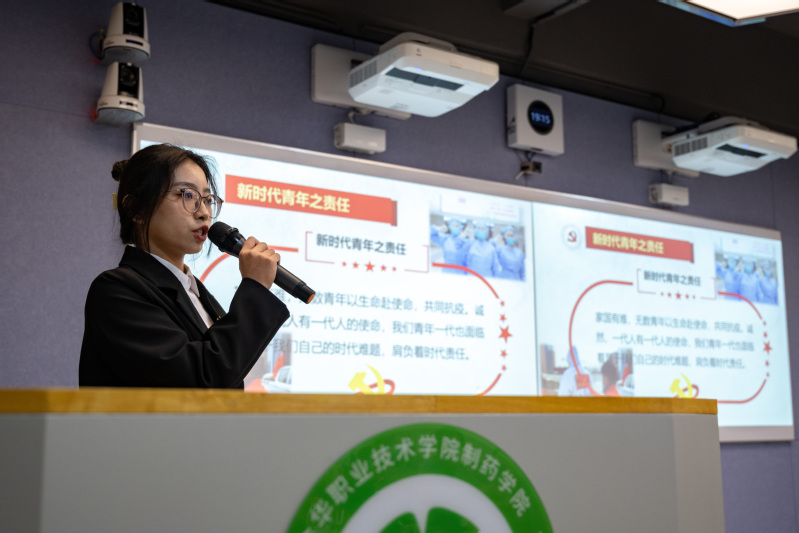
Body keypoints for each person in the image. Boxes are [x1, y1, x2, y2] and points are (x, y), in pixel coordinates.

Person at [79, 144, 290, 388]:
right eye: (187, 195)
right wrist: (255, 288)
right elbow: (199, 381)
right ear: (136, 209)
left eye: (208, 199)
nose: (204, 213)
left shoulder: (197, 293)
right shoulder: (116, 290)